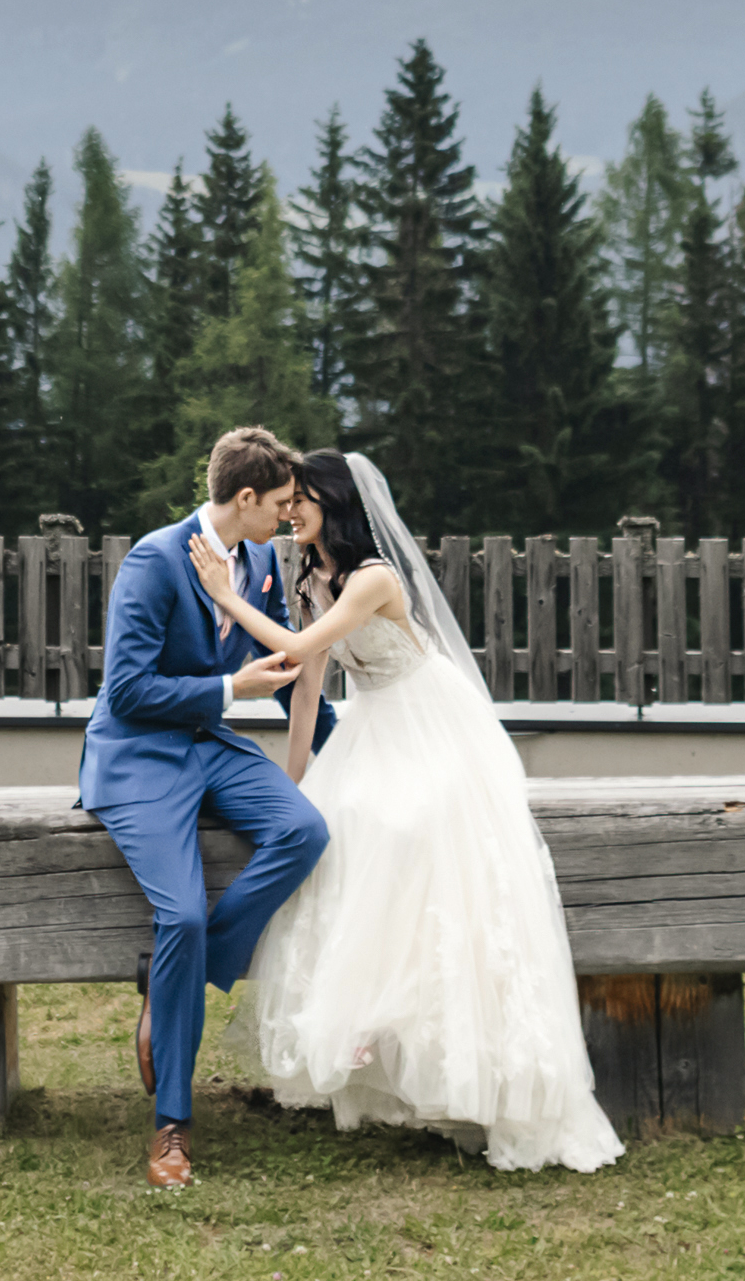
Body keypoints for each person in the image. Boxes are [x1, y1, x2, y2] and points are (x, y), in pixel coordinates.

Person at [191, 447, 621, 1173]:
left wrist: (225, 594)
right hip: (370, 727)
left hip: (427, 722)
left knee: (407, 832)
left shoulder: (373, 577)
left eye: (302, 502)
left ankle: (443, 1048)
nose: (291, 513)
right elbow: (306, 686)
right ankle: (368, 1026)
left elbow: (295, 647)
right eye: (287, 503)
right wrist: (292, 784)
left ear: (335, 505)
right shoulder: (314, 577)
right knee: (335, 828)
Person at [77, 426, 331, 1190]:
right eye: (282, 502)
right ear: (245, 497)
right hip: (137, 753)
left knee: (303, 829)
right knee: (179, 913)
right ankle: (171, 1128)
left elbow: (283, 670)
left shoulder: (256, 562)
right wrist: (230, 690)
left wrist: (351, 739)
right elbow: (125, 691)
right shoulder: (155, 561)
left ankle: (173, 981)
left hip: (209, 744)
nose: (291, 516)